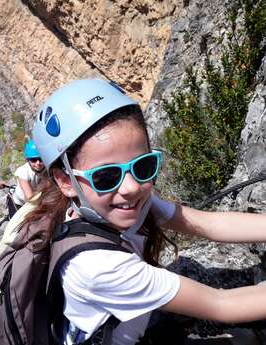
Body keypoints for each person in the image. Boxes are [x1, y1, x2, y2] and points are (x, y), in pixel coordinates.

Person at [18, 78, 266, 345]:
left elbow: (206, 224)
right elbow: (221, 304)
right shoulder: (95, 267)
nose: (132, 187)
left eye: (143, 166)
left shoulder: (113, 203)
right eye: (105, 176)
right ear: (66, 181)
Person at [7, 139, 45, 219]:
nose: (38, 163)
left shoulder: (47, 169)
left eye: (40, 159)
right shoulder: (23, 172)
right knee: (17, 229)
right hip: (19, 204)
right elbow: (30, 197)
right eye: (33, 160)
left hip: (36, 200)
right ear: (28, 160)